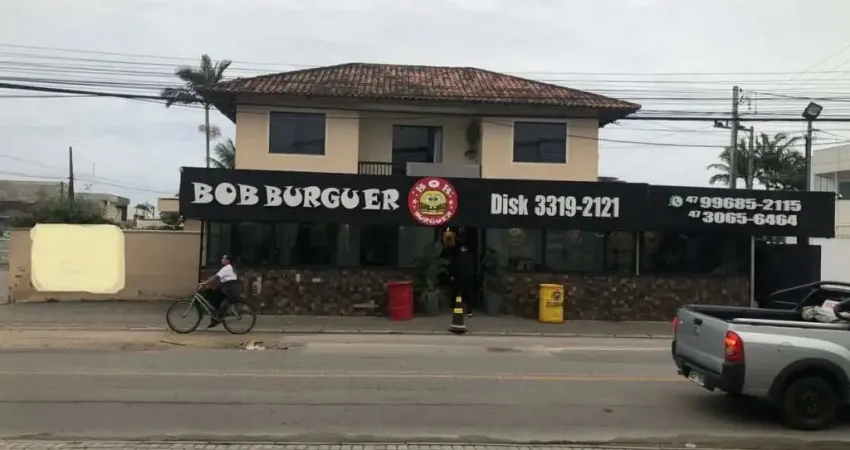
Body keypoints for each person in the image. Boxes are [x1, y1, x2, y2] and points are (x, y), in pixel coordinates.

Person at [197, 254, 240, 329]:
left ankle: (219, 316)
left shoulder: (227, 268)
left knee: (220, 302)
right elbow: (219, 279)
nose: (221, 259)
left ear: (227, 260)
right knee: (212, 294)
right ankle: (215, 317)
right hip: (226, 287)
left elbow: (215, 277)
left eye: (223, 258)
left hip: (229, 289)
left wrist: (204, 283)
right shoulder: (227, 268)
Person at [450, 244, 477, 317]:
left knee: (459, 294)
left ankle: (457, 310)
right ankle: (469, 311)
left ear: (462, 248)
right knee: (469, 294)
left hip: (461, 277)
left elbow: (456, 266)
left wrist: (453, 275)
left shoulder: (459, 256)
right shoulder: (470, 256)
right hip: (470, 277)